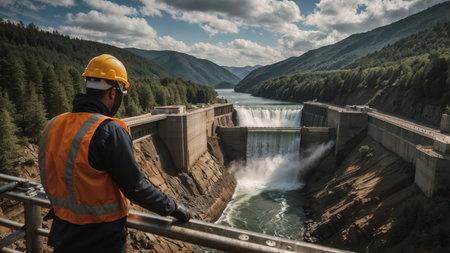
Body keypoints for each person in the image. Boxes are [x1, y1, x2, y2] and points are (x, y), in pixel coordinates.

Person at [38, 54, 191, 253]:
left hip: (63, 235)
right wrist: (174, 208)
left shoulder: (53, 125)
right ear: (113, 92)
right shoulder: (108, 130)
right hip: (101, 239)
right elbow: (136, 188)